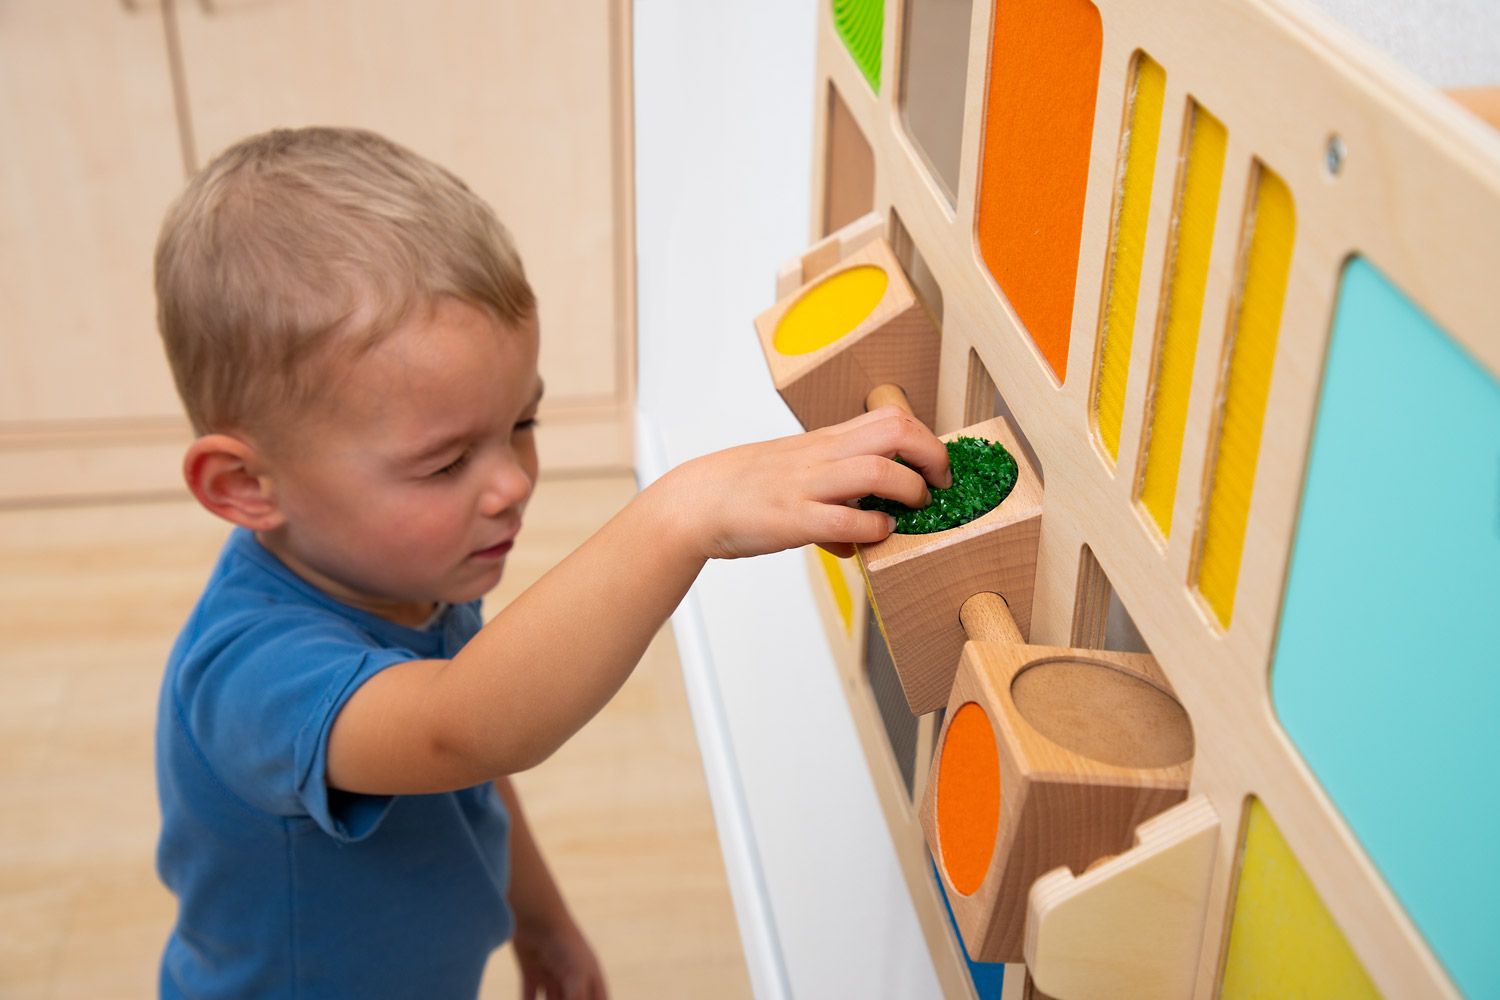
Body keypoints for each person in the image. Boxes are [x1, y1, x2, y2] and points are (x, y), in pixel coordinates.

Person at [152, 126, 949, 999]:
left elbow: (464, 779)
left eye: (521, 425)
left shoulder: (410, 579)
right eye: (445, 462)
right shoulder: (251, 675)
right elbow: (464, 728)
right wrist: (680, 516)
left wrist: (541, 922)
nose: (511, 484)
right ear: (243, 485)